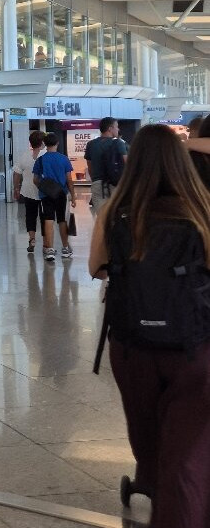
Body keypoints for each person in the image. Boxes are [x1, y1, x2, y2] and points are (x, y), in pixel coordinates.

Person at [88, 124, 210, 528]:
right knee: (186, 454)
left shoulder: (115, 210)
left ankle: (155, 485)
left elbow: (95, 269)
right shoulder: (201, 208)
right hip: (195, 348)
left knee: (149, 441)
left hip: (132, 345)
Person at [32, 132, 76, 261]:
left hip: (46, 194)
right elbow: (69, 179)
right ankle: (65, 247)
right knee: (62, 220)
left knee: (48, 219)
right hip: (61, 193)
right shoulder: (64, 159)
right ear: (57, 143)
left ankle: (50, 249)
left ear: (45, 144)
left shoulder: (41, 160)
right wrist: (73, 196)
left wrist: (44, 187)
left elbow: (35, 179)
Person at [13, 130, 47, 254]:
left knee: (30, 216)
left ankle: (32, 240)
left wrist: (16, 188)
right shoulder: (46, 154)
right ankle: (46, 243)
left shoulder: (25, 155)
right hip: (44, 191)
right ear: (43, 142)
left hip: (28, 190)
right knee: (45, 217)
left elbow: (16, 173)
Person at [84, 117, 128, 211]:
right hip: (116, 184)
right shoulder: (118, 143)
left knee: (102, 219)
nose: (118, 129)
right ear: (110, 128)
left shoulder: (91, 144)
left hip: (97, 184)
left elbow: (90, 166)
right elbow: (127, 164)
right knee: (116, 217)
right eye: (116, 126)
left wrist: (95, 179)